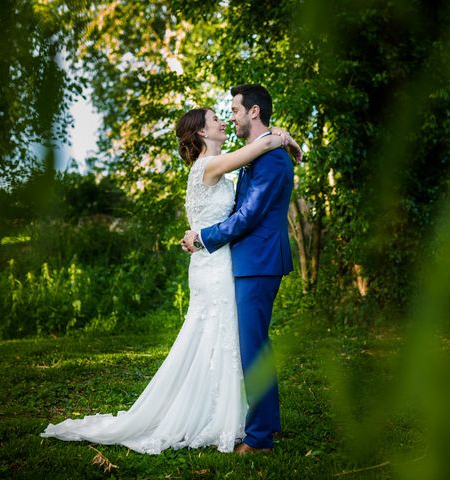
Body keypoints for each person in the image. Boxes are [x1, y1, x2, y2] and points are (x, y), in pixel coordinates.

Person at [40, 106, 301, 454]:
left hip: (219, 262)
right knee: (221, 339)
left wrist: (283, 137)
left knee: (227, 341)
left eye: (228, 114)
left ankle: (237, 419)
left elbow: (258, 146)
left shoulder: (217, 171)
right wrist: (284, 138)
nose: (223, 120)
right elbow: (257, 147)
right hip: (215, 265)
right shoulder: (210, 166)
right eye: (215, 120)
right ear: (201, 134)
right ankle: (226, 420)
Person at [181, 84, 298, 455]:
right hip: (245, 262)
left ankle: (259, 438)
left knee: (252, 348)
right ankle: (268, 426)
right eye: (225, 113)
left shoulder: (273, 158)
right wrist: (287, 139)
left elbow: (247, 216)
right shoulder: (254, 155)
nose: (229, 116)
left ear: (253, 112)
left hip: (259, 261)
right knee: (254, 346)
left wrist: (202, 238)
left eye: (233, 109)